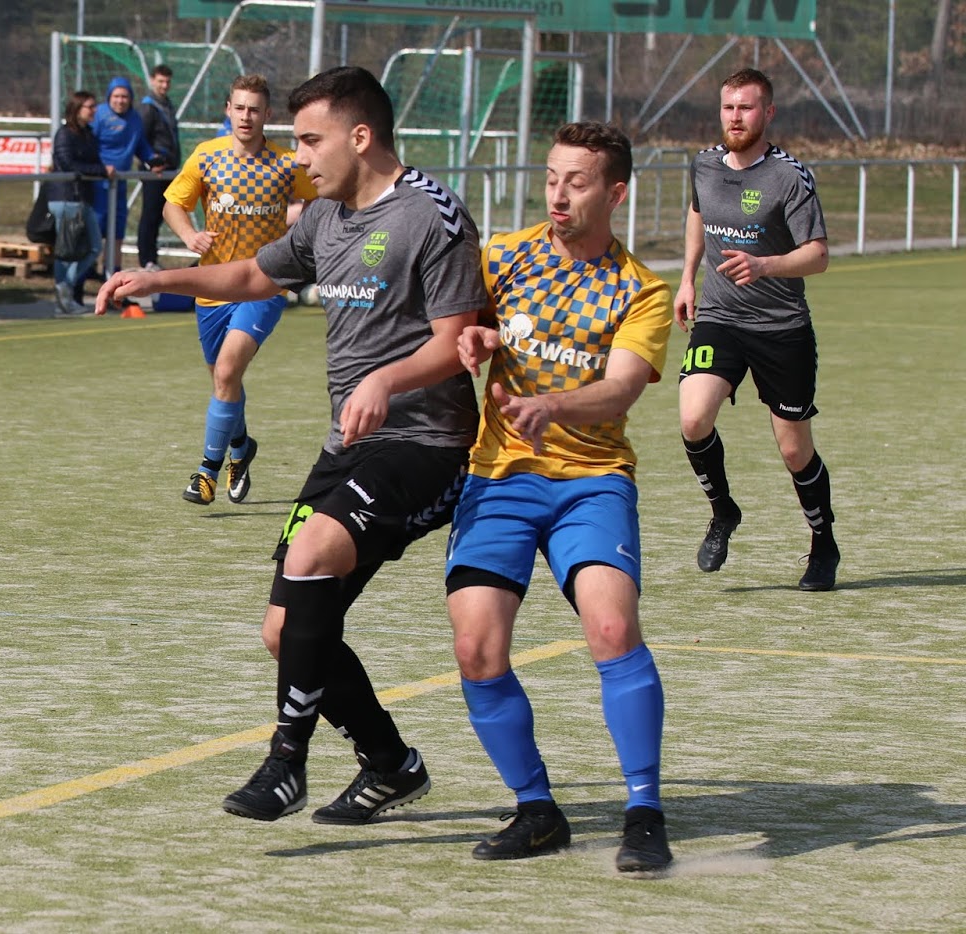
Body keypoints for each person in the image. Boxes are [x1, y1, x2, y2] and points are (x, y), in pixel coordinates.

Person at [97, 66, 485, 825]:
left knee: (309, 558)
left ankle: (286, 761)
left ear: (360, 137)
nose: (299, 157)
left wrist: (386, 380)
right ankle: (391, 764)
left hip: (427, 444)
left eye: (311, 140)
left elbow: (457, 340)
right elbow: (252, 273)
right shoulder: (324, 218)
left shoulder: (431, 215)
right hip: (351, 445)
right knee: (286, 633)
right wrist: (158, 276)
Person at [447, 121, 674, 873]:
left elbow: (622, 388)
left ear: (615, 193)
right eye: (551, 178)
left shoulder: (642, 289)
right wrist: (474, 338)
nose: (558, 194)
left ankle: (644, 811)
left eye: (576, 182)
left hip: (591, 481)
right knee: (477, 648)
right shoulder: (504, 256)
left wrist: (555, 406)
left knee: (611, 627)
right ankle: (538, 809)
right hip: (499, 476)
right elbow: (464, 328)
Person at [674, 68, 836, 591]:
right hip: (720, 318)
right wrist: (687, 280)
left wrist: (765, 265)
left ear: (768, 113)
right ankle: (723, 511)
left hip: (780, 328)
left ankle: (823, 543)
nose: (735, 117)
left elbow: (818, 255)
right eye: (728, 108)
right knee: (693, 418)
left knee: (794, 451)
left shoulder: (790, 176)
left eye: (746, 108)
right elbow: (698, 213)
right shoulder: (703, 163)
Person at [159, 74, 316, 506]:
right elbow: (173, 204)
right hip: (213, 287)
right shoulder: (207, 156)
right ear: (228, 110)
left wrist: (298, 235)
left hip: (264, 286)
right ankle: (242, 447)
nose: (246, 117)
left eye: (255, 110)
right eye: (240, 108)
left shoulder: (286, 164)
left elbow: (321, 196)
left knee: (228, 371)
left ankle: (207, 472)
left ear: (268, 115)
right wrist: (189, 235)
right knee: (223, 381)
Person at [90, 76, 158, 285]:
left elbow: (141, 146)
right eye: (117, 96)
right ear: (109, 97)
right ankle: (84, 277)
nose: (120, 101)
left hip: (119, 184)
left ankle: (113, 278)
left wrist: (153, 160)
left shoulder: (134, 119)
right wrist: (98, 168)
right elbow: (87, 144)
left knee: (117, 232)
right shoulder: (99, 115)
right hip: (97, 184)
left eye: (125, 96)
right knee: (94, 231)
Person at [48, 91, 108, 316]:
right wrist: (101, 170)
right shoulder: (64, 134)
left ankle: (65, 288)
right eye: (89, 107)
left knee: (94, 247)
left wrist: (101, 169)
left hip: (82, 199)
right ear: (77, 109)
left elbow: (94, 162)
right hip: (66, 198)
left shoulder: (88, 134)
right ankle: (63, 296)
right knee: (66, 251)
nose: (94, 111)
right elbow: (67, 164)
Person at [136, 64, 180, 273]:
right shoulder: (148, 107)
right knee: (150, 214)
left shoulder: (167, 104)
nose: (164, 85)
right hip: (155, 171)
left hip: (168, 169)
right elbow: (141, 139)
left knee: (161, 213)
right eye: (160, 81)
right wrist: (150, 162)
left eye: (167, 82)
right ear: (152, 80)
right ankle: (146, 259)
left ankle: (152, 257)